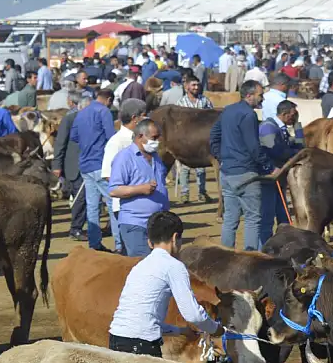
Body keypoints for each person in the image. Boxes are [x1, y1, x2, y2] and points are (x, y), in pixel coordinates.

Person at [107, 211, 222, 357]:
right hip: (142, 344)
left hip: (116, 339)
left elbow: (145, 319)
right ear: (175, 238)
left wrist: (180, 331)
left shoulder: (140, 266)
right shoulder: (174, 266)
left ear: (149, 242)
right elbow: (193, 315)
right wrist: (216, 329)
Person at [210, 80, 281, 251]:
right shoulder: (249, 115)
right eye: (260, 95)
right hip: (246, 174)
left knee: (230, 220)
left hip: (227, 172)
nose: (262, 99)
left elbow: (214, 136)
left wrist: (222, 157)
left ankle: (225, 257)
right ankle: (250, 257)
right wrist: (270, 167)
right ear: (249, 95)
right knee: (252, 219)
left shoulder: (228, 110)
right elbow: (254, 147)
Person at [108, 119, 170, 257]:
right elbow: (113, 190)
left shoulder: (156, 157)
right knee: (143, 265)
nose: (157, 141)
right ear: (140, 136)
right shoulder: (124, 157)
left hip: (158, 224)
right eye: (154, 137)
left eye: (158, 137)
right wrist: (140, 189)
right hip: (136, 224)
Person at [70, 89, 116, 251]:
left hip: (85, 164)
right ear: (108, 100)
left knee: (92, 206)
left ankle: (95, 243)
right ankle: (119, 243)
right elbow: (111, 137)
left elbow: (73, 136)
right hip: (101, 164)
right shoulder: (104, 112)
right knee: (113, 203)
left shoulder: (81, 113)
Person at [100, 99, 147, 254]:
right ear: (135, 118)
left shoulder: (141, 139)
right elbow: (108, 175)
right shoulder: (117, 142)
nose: (146, 119)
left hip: (143, 206)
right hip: (125, 207)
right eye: (144, 116)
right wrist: (137, 188)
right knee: (130, 253)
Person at [258, 100, 304, 243]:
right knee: (268, 217)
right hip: (269, 178)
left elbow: (300, 145)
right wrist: (295, 153)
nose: (295, 116)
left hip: (279, 179)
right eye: (293, 115)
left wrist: (297, 125)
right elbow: (275, 151)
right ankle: (264, 248)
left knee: (283, 215)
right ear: (284, 114)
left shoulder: (279, 128)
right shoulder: (268, 127)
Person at [53, 92, 88, 242]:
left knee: (84, 198)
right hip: (74, 164)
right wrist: (57, 165)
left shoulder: (90, 118)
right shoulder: (69, 118)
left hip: (88, 163)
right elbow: (60, 143)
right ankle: (76, 229)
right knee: (80, 197)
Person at [173, 77, 214, 205]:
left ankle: (202, 192)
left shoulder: (204, 101)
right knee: (184, 167)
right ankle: (184, 194)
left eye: (197, 85)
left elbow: (212, 117)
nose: (196, 87)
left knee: (201, 167)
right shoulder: (181, 103)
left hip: (201, 139)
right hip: (185, 140)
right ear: (187, 87)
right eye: (193, 85)